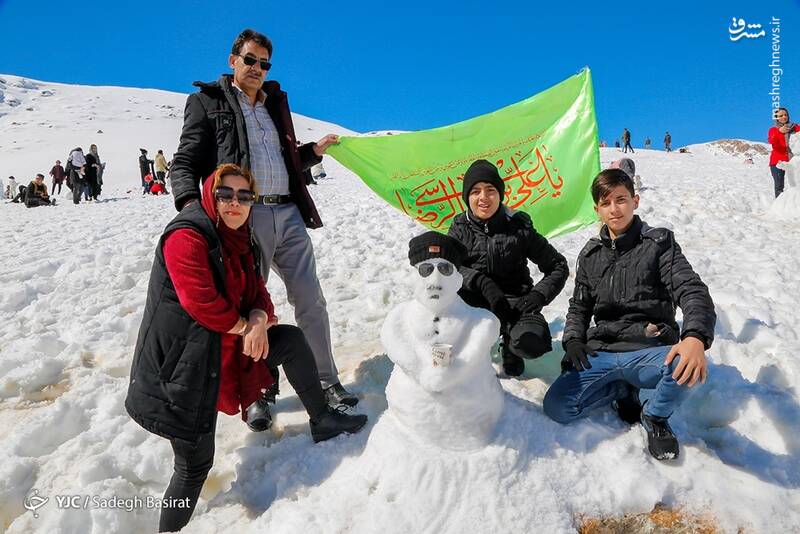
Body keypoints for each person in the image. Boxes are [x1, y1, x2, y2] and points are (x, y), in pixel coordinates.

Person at [125, 163, 367, 533]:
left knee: (289, 340)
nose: (234, 203)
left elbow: (260, 294)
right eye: (225, 195)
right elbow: (200, 302)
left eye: (244, 196)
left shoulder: (242, 240)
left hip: (222, 353)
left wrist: (256, 320)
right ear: (211, 196)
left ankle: (323, 418)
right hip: (182, 369)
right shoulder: (187, 236)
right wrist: (245, 327)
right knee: (193, 467)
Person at [170, 28, 356, 421]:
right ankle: (259, 391)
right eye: (250, 59)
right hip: (242, 219)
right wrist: (191, 210)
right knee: (251, 306)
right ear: (233, 59)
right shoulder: (208, 102)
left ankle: (326, 380)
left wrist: (312, 152)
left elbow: (281, 160)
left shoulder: (274, 104)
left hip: (288, 213)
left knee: (310, 299)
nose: (257, 68)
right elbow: (184, 161)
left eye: (264, 63)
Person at [543, 168, 716, 461]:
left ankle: (655, 417)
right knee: (557, 407)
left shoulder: (658, 245)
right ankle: (621, 391)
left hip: (650, 350)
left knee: (685, 367)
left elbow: (692, 290)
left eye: (621, 200)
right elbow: (579, 306)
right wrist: (573, 340)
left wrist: (695, 337)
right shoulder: (590, 255)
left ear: (635, 201)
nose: (614, 209)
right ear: (597, 209)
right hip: (603, 351)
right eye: (606, 203)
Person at [447, 159, 569, 377]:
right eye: (475, 191)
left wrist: (538, 295)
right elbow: (449, 267)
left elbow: (558, 265)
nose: (483, 197)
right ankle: (476, 349)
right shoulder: (459, 228)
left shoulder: (519, 227)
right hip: (473, 302)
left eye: (490, 190)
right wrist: (480, 282)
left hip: (515, 304)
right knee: (444, 332)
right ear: (467, 197)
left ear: (500, 194)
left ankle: (511, 345)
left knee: (533, 341)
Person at [768, 107, 799, 198]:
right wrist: (779, 132)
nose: (784, 117)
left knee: (795, 184)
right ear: (776, 118)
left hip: (793, 161)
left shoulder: (795, 127)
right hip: (778, 161)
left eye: (785, 115)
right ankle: (779, 208)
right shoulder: (773, 130)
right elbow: (772, 141)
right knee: (779, 186)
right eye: (781, 115)